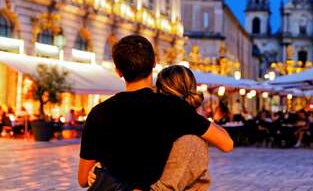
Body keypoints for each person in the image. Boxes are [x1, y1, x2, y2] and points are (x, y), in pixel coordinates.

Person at [78, 35, 233, 190]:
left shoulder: (98, 113)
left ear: (118, 71)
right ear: (154, 63)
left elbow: (83, 179)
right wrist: (192, 115)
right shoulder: (172, 107)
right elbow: (227, 143)